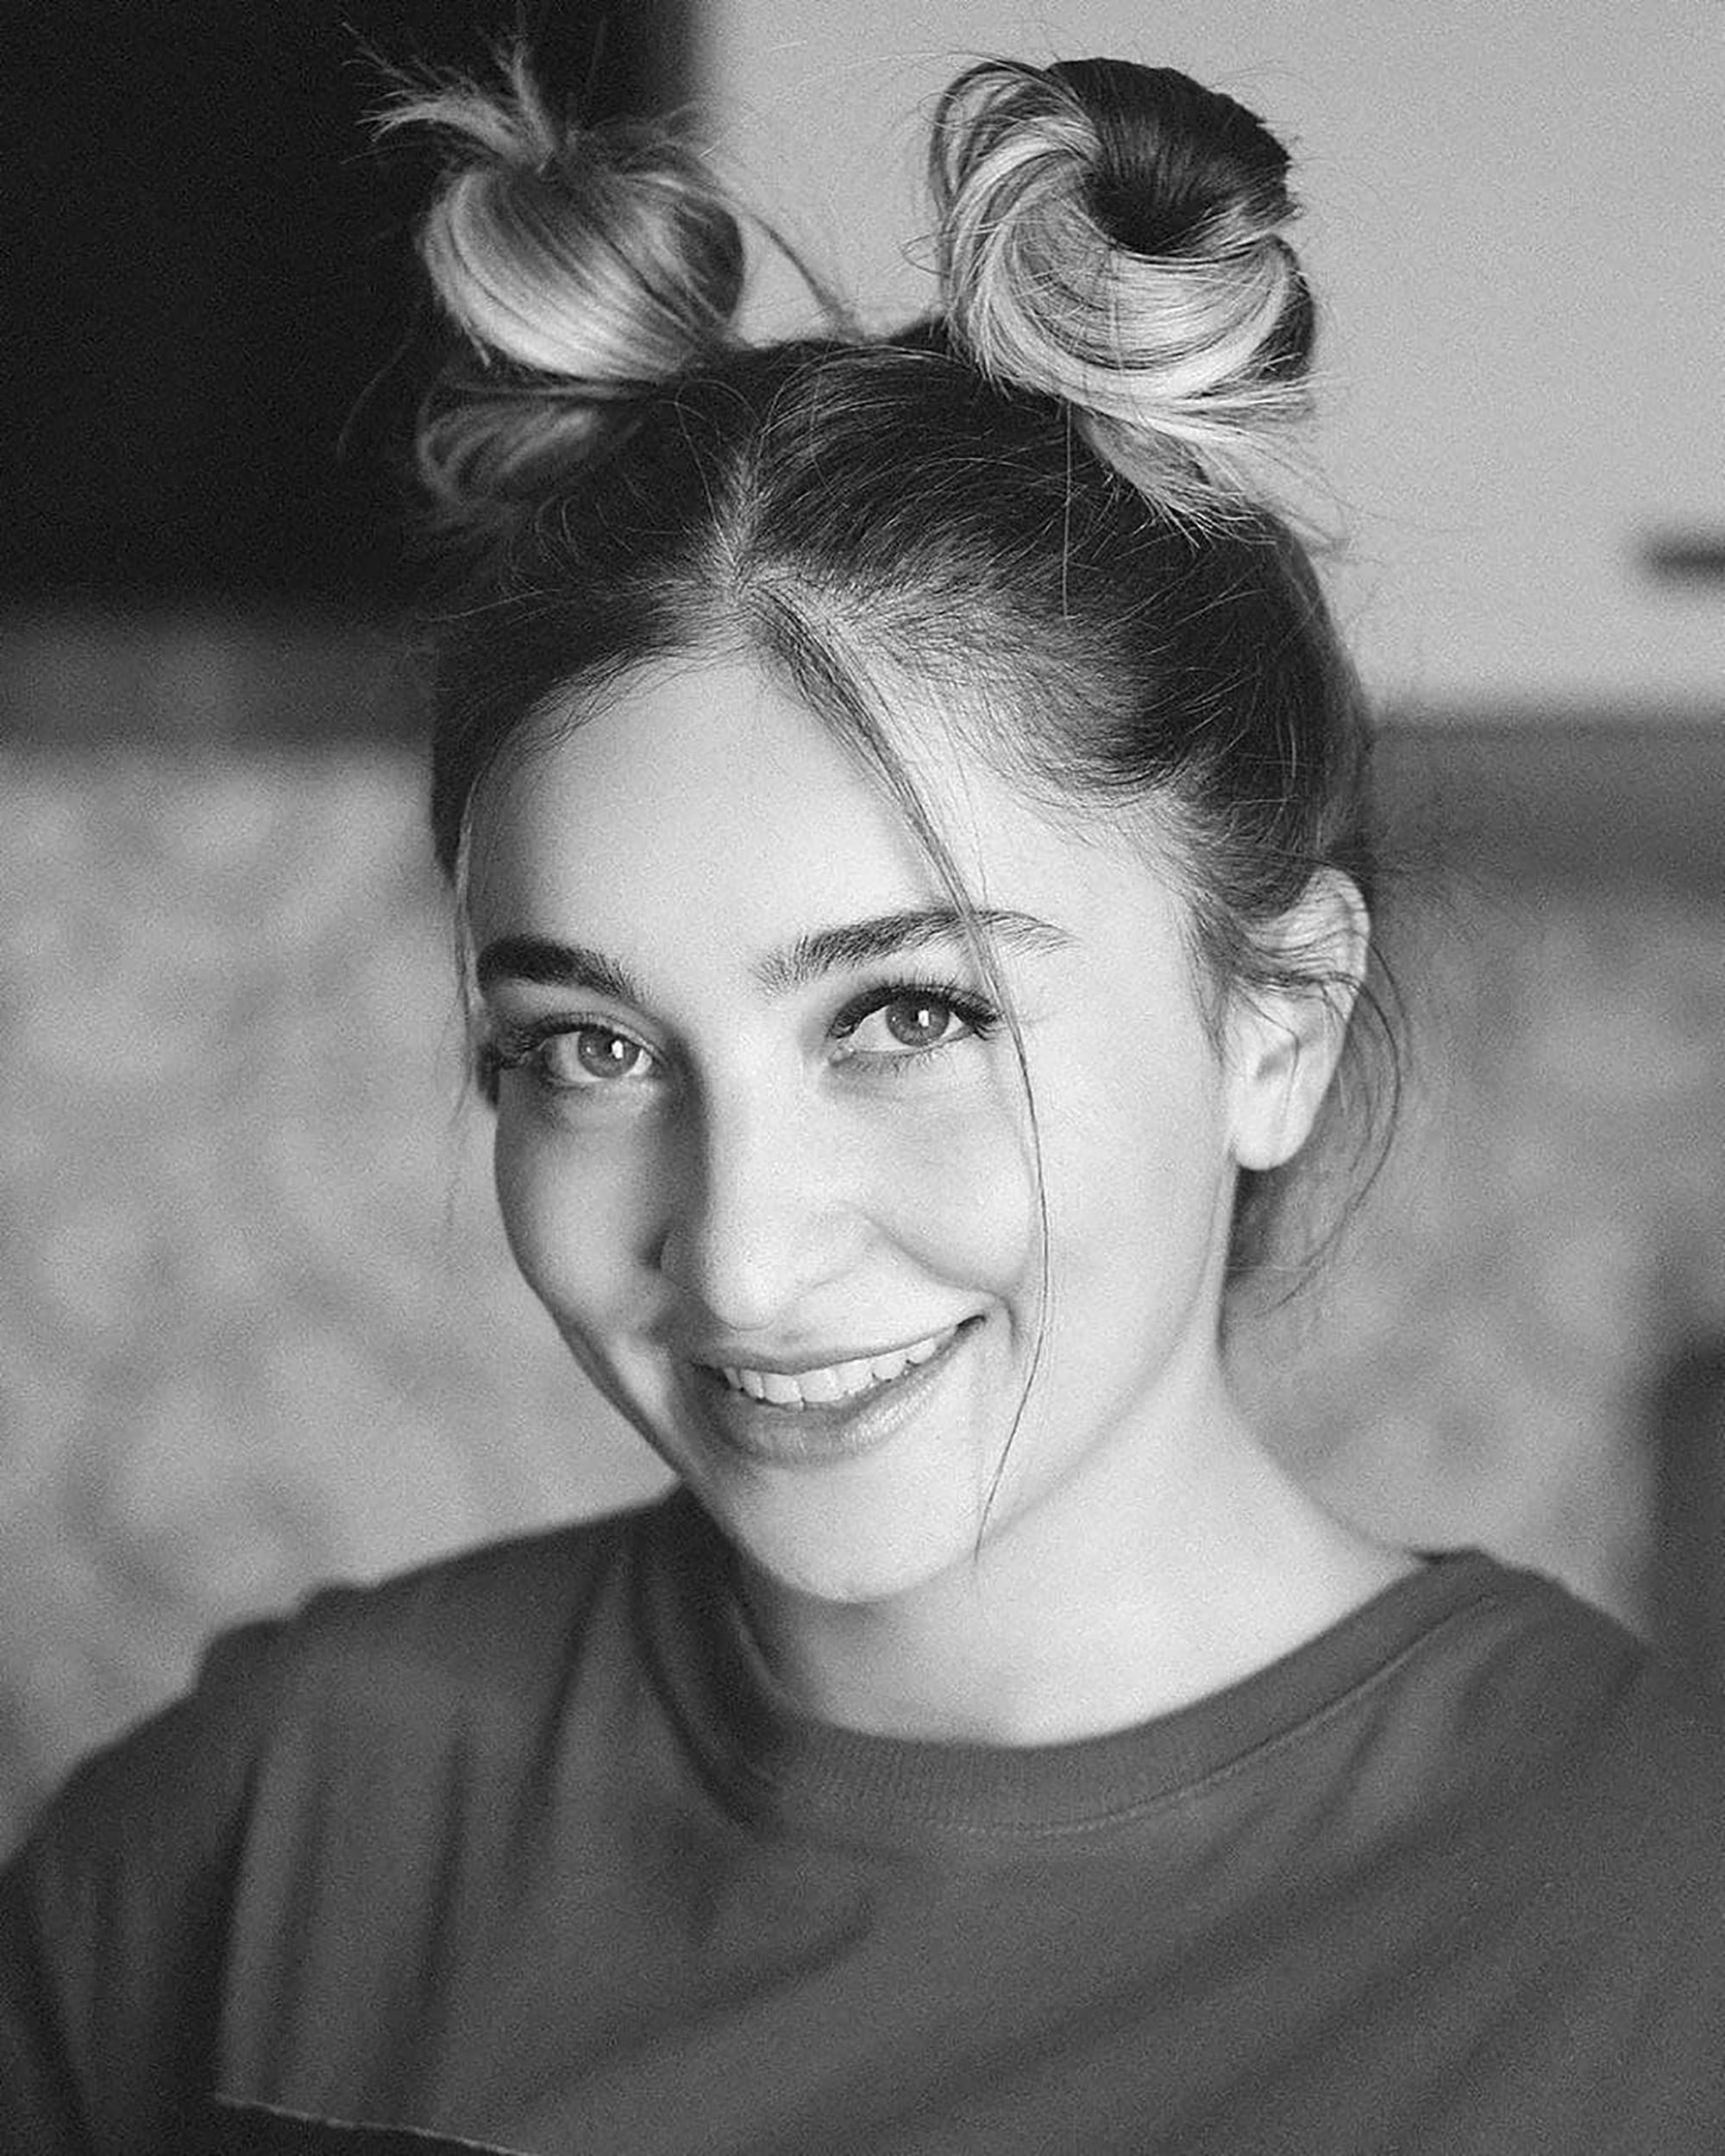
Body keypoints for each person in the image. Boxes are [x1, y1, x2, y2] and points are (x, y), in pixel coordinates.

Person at [5, 48, 1725, 2156]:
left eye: (906, 1016)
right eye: (590, 1046)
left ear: (1272, 1014)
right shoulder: (269, 1829)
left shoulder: (1650, 1933)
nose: (735, 1250)